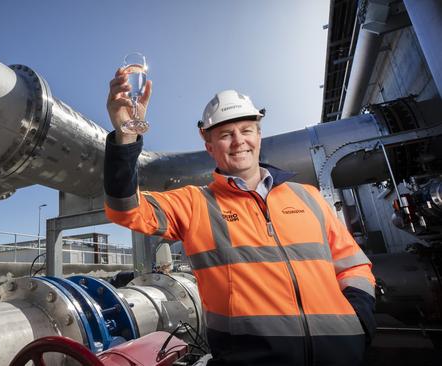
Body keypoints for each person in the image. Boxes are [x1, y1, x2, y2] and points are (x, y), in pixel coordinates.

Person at [103, 68, 376, 366]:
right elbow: (124, 208)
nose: (238, 141)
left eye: (246, 130)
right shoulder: (196, 204)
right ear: (209, 146)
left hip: (343, 357)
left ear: (259, 135)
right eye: (225, 134)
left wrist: (358, 322)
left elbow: (354, 265)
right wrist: (126, 135)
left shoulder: (307, 196)